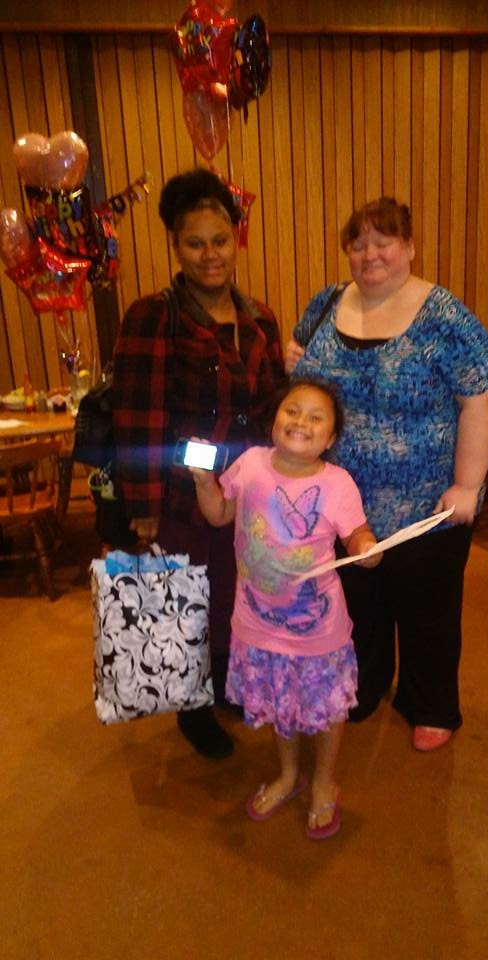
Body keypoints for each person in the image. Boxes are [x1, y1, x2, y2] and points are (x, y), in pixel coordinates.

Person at [285, 196, 488, 752]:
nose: (370, 254)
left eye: (383, 242)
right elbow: (297, 352)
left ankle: (430, 705)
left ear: (409, 247)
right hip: (343, 504)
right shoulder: (327, 302)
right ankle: (367, 683)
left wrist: (468, 485)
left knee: (428, 611)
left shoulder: (443, 316)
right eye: (358, 244)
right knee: (360, 604)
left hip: (427, 506)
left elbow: (481, 397)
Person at [111, 168, 286, 759]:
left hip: (246, 490)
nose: (210, 255)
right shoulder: (153, 315)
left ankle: (226, 683)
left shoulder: (260, 316)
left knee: (235, 593)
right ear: (175, 245)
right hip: (182, 491)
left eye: (219, 240)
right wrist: (142, 508)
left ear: (236, 239)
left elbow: (273, 404)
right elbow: (137, 413)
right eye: (195, 243)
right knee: (181, 598)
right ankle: (190, 706)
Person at [191, 379, 381, 839]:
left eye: (316, 417)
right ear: (275, 419)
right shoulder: (251, 463)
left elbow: (358, 534)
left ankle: (324, 782)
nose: (301, 422)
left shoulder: (337, 483)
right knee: (281, 705)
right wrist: (203, 481)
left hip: (317, 632)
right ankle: (290, 774)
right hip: (257, 623)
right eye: (292, 410)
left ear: (330, 438)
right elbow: (219, 515)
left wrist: (367, 548)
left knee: (326, 709)